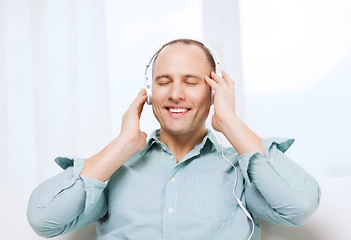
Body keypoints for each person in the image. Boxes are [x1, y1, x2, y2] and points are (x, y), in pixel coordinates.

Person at [27, 39, 320, 240]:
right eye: (164, 82)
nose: (175, 93)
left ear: (213, 92)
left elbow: (300, 204)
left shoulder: (240, 170)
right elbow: (43, 219)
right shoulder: (116, 168)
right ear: (150, 91)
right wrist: (122, 145)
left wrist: (229, 122)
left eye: (191, 82)